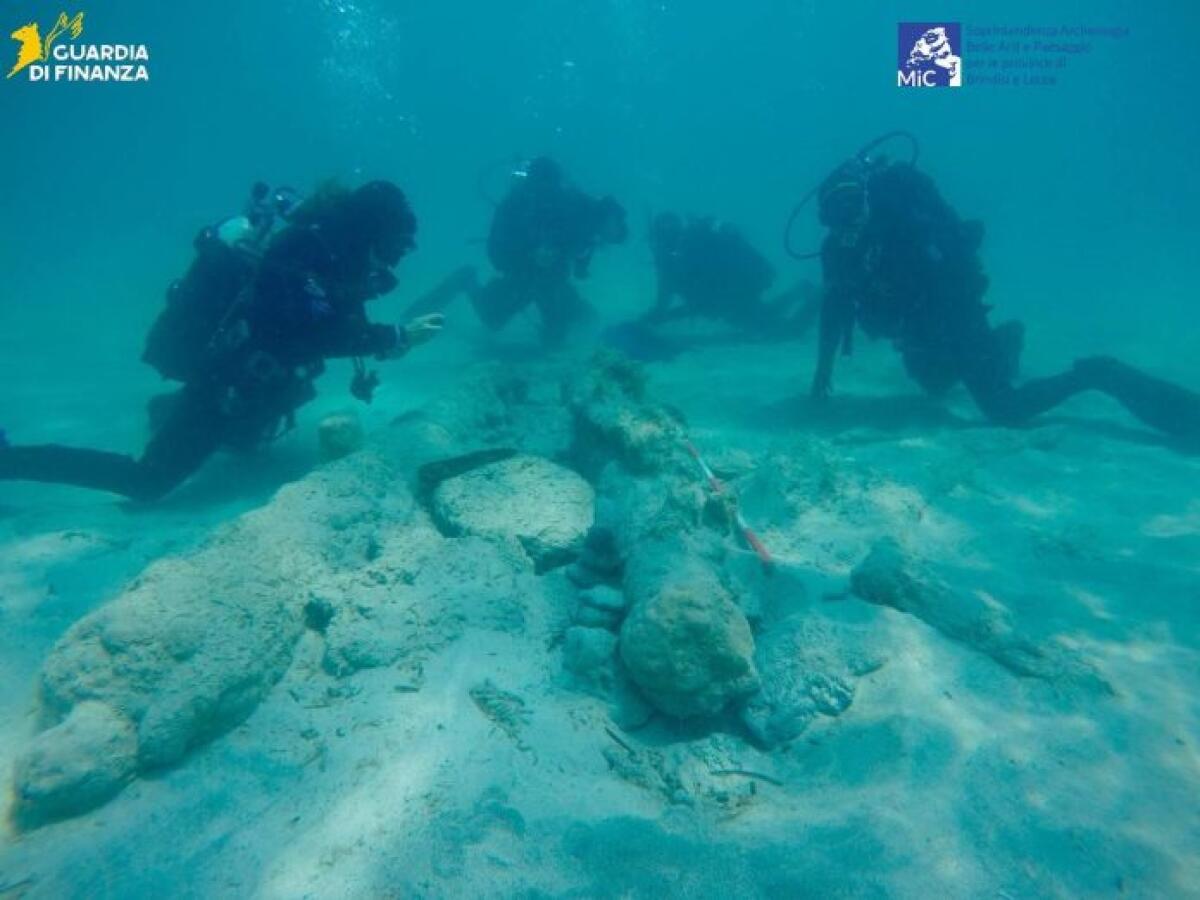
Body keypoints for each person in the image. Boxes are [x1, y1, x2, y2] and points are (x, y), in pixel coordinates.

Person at [0, 180, 443, 501]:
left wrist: (386, 339)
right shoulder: (302, 253)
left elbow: (331, 326)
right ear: (367, 231)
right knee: (147, 482)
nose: (395, 260)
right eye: (393, 246)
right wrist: (395, 335)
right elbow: (315, 335)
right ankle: (10, 460)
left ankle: (169, 411)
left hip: (255, 379)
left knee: (247, 443)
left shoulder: (335, 259)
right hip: (224, 379)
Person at [809, 154, 1200, 439]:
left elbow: (949, 270)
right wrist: (822, 370)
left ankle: (1097, 374)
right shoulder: (837, 252)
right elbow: (833, 306)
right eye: (833, 212)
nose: (845, 218)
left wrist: (958, 333)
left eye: (850, 204)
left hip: (954, 314)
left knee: (1004, 409)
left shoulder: (902, 228)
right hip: (918, 332)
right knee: (935, 386)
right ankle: (1005, 341)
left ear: (865, 198)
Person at [469, 157, 627, 345]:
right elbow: (497, 254)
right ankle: (466, 279)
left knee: (576, 325)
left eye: (552, 187)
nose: (547, 195)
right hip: (522, 277)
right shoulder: (514, 207)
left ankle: (558, 316)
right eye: (541, 187)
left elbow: (604, 219)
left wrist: (613, 219)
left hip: (553, 279)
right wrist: (531, 256)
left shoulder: (570, 203)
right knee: (493, 320)